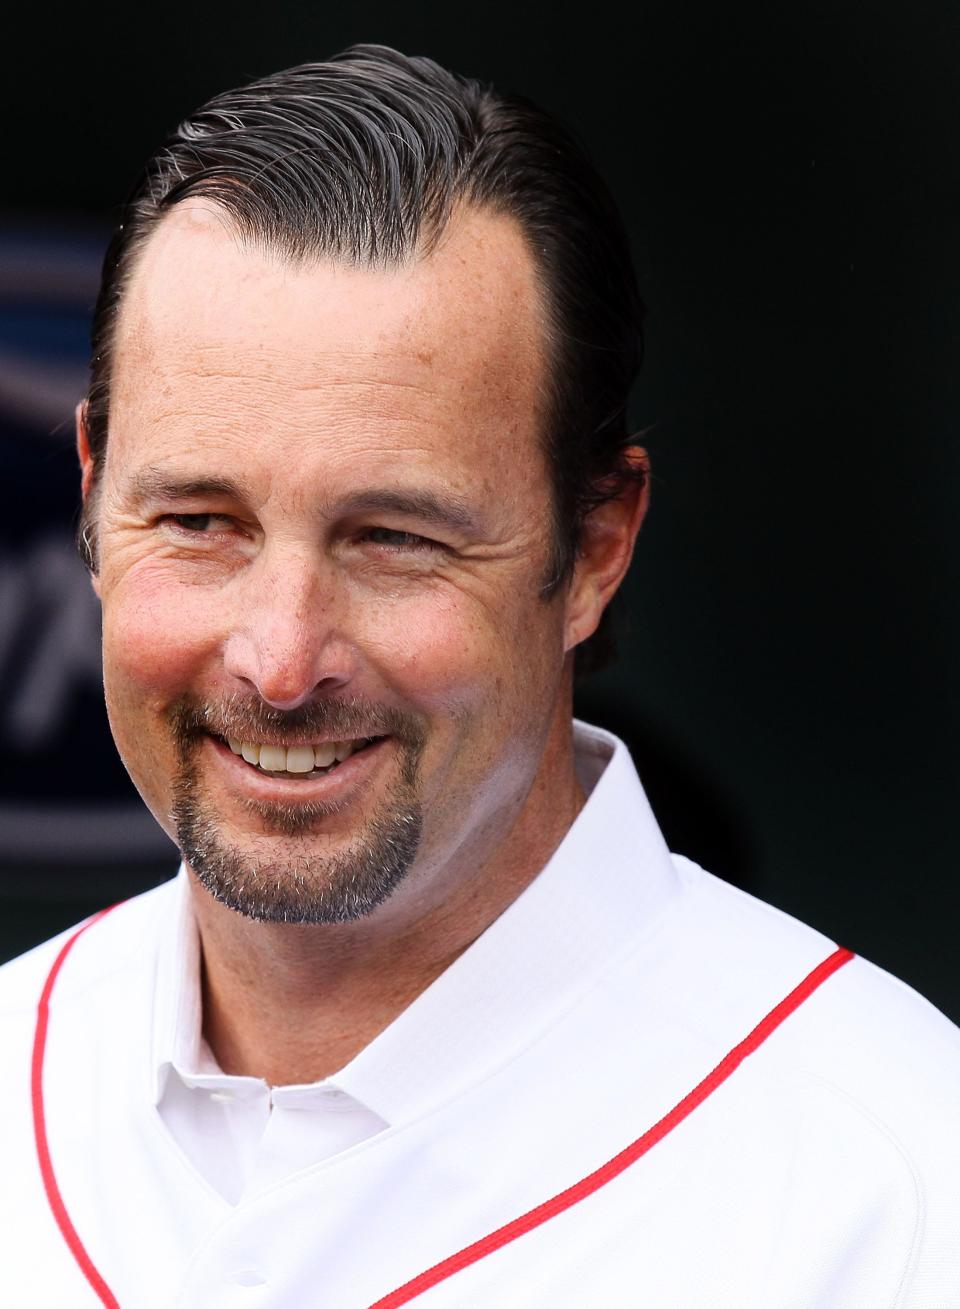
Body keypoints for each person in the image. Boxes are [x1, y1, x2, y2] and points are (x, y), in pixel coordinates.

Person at [1, 44, 957, 1309]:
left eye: (395, 539)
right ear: (90, 495)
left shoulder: (895, 1188)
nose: (281, 660)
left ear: (597, 545)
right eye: (198, 522)